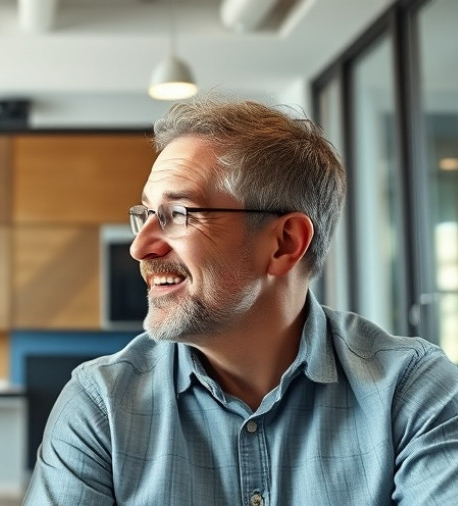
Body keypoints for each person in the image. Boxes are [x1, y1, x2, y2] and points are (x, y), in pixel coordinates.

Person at [24, 97, 458, 505]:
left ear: (285, 243)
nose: (140, 247)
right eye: (145, 215)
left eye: (178, 214)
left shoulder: (415, 392)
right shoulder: (101, 405)